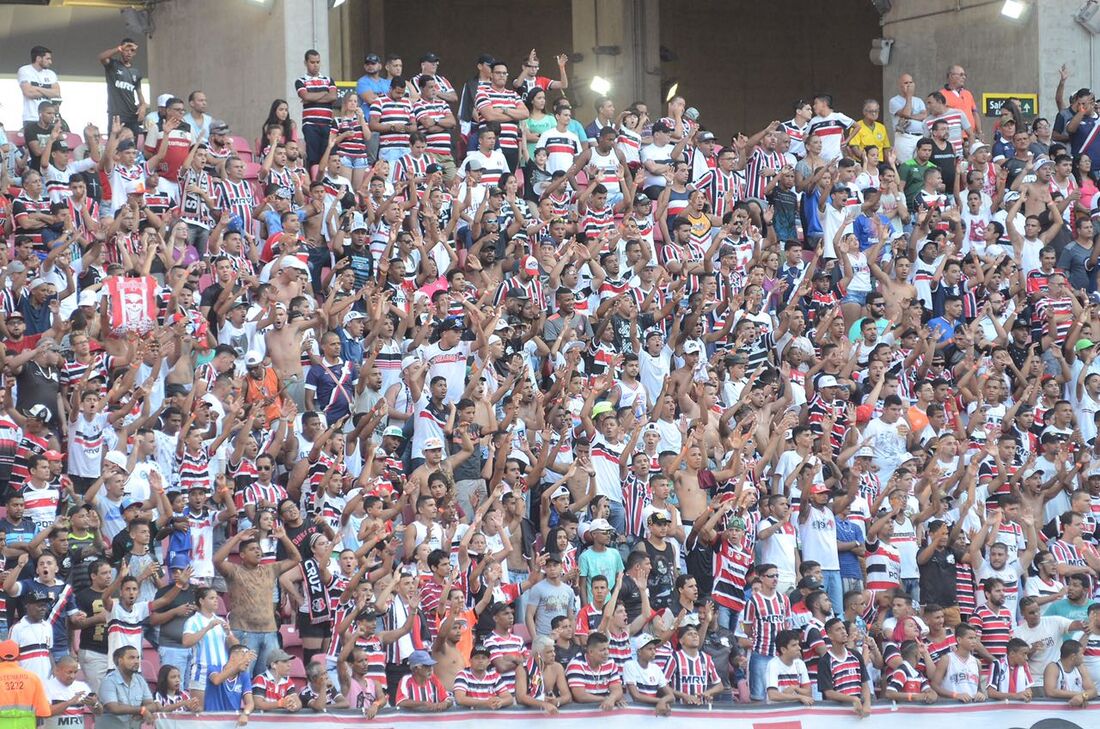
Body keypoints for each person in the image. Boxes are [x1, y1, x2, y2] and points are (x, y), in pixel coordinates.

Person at [98, 646, 158, 729]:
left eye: (138, 658)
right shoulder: (109, 681)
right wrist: (141, 710)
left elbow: (152, 705)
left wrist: (142, 710)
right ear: (120, 661)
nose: (137, 661)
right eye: (131, 658)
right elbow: (114, 708)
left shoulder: (140, 680)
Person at [1043, 640, 1098, 706]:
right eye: (1081, 654)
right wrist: (1079, 695)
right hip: (1057, 710)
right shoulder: (1053, 667)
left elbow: (1093, 691)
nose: (1083, 656)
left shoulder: (1081, 667)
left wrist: (1082, 696)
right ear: (1073, 657)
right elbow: (1050, 691)